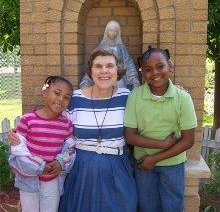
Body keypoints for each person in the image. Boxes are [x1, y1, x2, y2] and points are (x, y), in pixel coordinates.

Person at [9, 49, 176, 212]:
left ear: (118, 71)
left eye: (110, 66)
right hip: (81, 169)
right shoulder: (75, 98)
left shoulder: (129, 96)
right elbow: (54, 121)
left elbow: (153, 98)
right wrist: (23, 134)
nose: (104, 71)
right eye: (98, 66)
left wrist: (175, 90)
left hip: (117, 168)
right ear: (91, 71)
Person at [124, 46, 198, 212]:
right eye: (148, 69)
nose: (155, 73)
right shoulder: (135, 96)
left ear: (170, 66)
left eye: (160, 66)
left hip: (172, 165)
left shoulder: (183, 98)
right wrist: (163, 144)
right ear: (142, 72)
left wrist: (154, 159)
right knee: (147, 207)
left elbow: (188, 140)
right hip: (143, 165)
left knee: (172, 207)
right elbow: (130, 136)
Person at [8, 76, 76, 212]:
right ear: (45, 92)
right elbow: (18, 149)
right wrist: (38, 166)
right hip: (29, 180)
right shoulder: (28, 120)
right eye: (57, 93)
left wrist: (60, 163)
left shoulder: (66, 124)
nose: (61, 99)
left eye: (66, 97)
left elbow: (70, 149)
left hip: (52, 179)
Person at [79, 20, 140, 90]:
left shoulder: (121, 48)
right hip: (103, 77)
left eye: (115, 31)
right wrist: (86, 82)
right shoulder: (100, 48)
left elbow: (129, 64)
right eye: (110, 30)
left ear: (118, 33)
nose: (113, 33)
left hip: (118, 78)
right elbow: (93, 66)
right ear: (106, 32)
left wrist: (134, 80)